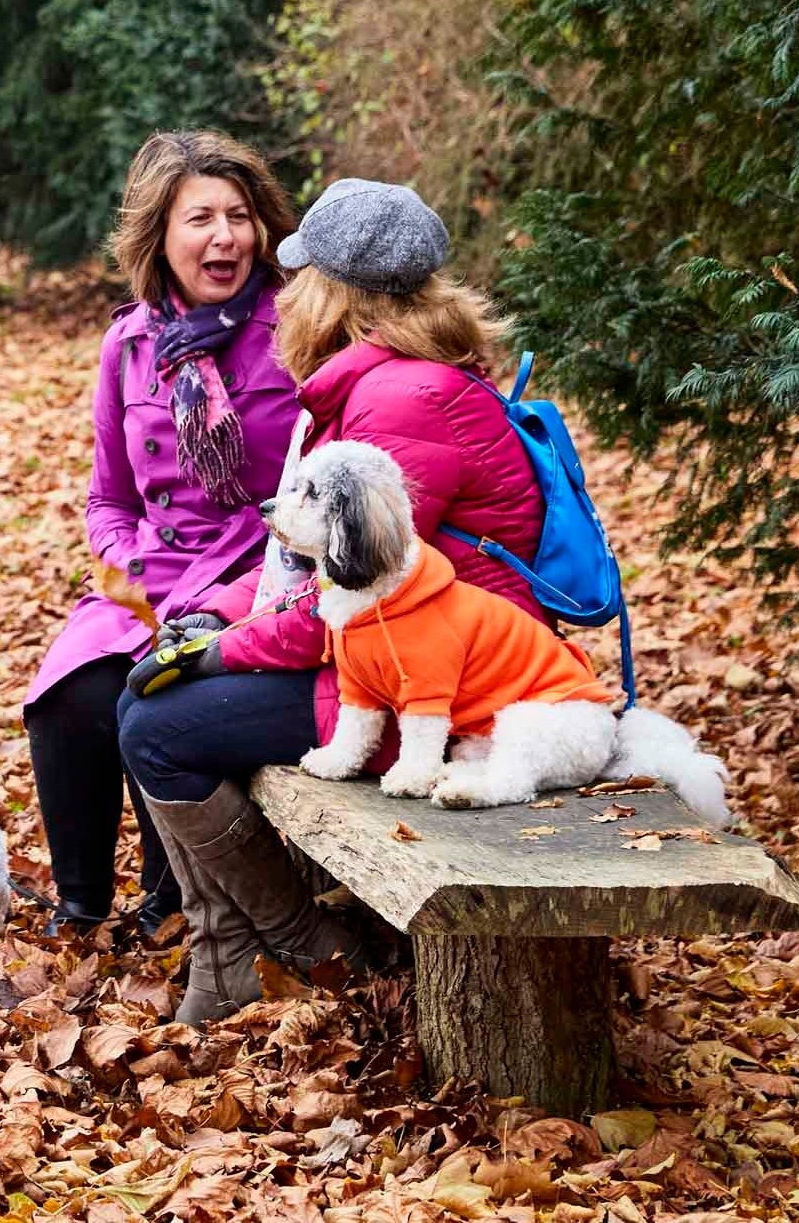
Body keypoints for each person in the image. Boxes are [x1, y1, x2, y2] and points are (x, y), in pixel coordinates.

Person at [118, 178, 546, 1024]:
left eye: (302, 276)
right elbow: (302, 558)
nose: (288, 294)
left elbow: (350, 593)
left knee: (158, 727)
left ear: (337, 293)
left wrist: (219, 651)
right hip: (394, 652)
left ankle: (306, 947)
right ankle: (227, 951)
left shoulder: (403, 401)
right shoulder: (382, 385)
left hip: (444, 688)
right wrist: (213, 613)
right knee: (147, 698)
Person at [25, 131, 304, 939]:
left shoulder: (295, 328)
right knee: (67, 695)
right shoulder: (130, 342)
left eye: (241, 216)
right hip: (153, 571)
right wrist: (123, 563)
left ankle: (172, 898)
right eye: (202, 219)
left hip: (263, 567)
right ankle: (80, 907)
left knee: (151, 687)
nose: (226, 237)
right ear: (161, 234)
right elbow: (107, 500)